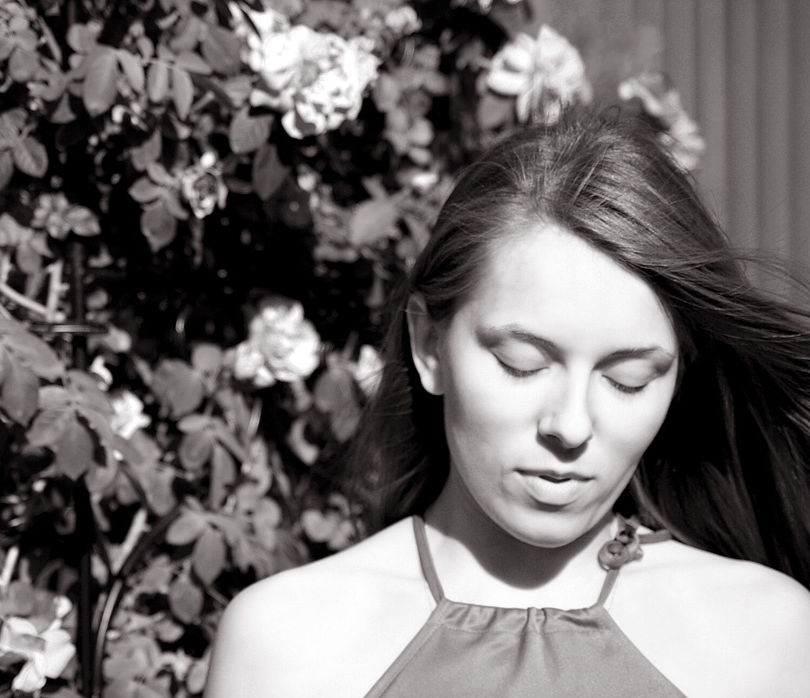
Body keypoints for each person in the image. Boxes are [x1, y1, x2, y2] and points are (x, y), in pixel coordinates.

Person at [204, 109, 810, 697]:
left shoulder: (765, 634)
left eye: (628, 379)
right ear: (430, 344)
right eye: (523, 365)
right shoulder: (286, 644)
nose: (570, 426)